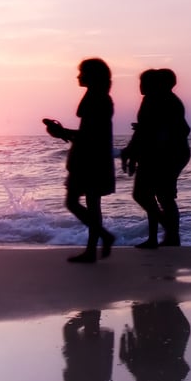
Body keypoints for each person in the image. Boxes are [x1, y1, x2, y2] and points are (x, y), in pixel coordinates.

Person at [43, 57, 117, 263]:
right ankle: (93, 248)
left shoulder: (97, 100)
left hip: (89, 160)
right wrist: (63, 133)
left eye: (82, 73)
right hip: (97, 158)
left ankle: (102, 237)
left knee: (73, 202)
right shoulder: (100, 98)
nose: (78, 76)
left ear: (92, 76)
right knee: (92, 203)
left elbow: (90, 136)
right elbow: (90, 134)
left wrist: (62, 132)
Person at [121, 68, 191, 249]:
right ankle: (162, 236)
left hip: (165, 154)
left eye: (144, 82)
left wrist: (136, 153)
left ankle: (167, 234)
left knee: (151, 195)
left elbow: (154, 130)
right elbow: (145, 129)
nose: (141, 86)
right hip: (167, 153)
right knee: (158, 195)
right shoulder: (159, 99)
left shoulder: (161, 100)